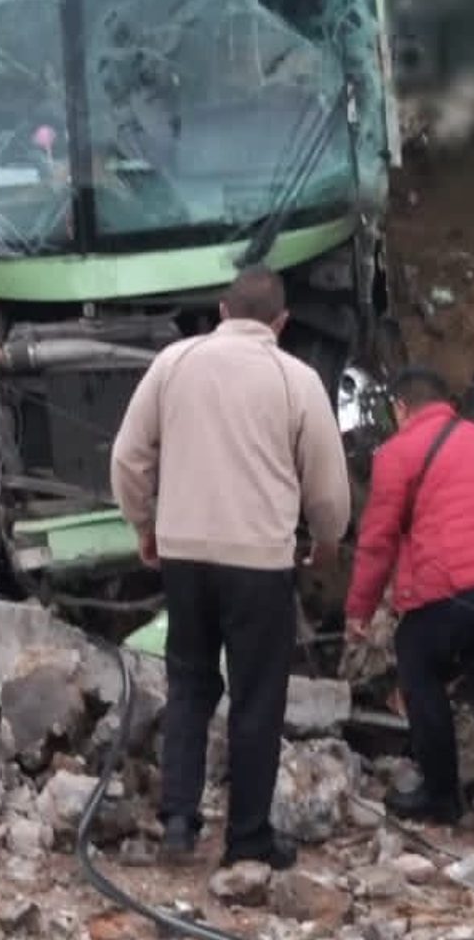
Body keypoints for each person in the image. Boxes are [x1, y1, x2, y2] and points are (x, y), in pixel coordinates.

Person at [110, 265, 351, 869]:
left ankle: (177, 824)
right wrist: (326, 543)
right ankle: (247, 839)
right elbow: (326, 489)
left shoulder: (174, 364)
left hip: (185, 555)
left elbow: (129, 456)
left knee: (189, 685)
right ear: (282, 322)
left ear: (221, 310)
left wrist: (145, 526)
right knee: (256, 697)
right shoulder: (295, 379)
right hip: (261, 562)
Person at [344, 368, 474, 850]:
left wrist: (359, 610)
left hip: (445, 589)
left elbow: (377, 541)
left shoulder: (397, 453)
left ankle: (441, 796)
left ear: (400, 409)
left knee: (420, 676)